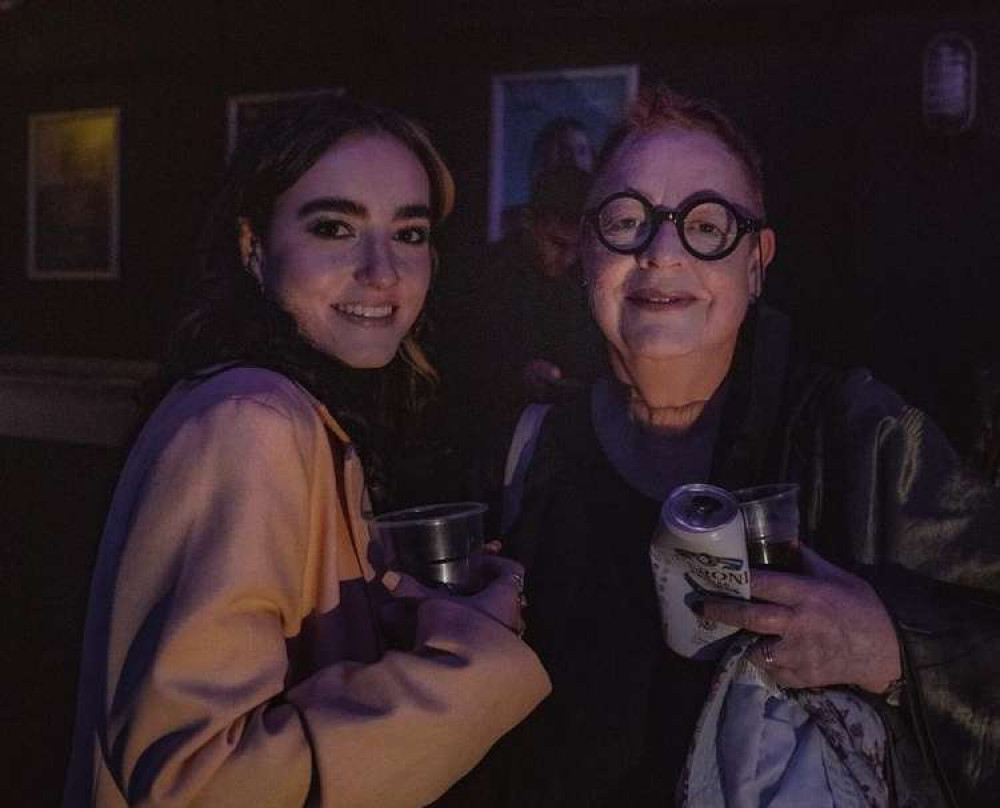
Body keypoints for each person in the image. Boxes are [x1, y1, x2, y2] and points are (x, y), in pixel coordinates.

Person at [466, 86, 1000, 806]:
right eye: (627, 221)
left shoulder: (858, 435)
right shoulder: (530, 452)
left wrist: (892, 647)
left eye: (707, 225)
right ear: (584, 252)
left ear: (756, 262)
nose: (661, 252)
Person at [62, 97, 550, 807]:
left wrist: (404, 620)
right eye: (334, 227)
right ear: (252, 246)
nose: (382, 270)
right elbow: (196, 784)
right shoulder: (252, 420)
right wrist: (472, 658)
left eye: (408, 233)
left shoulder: (301, 408)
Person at [442, 164, 606, 443]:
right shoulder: (480, 276)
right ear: (529, 221)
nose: (569, 258)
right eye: (557, 243)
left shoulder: (587, 284)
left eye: (579, 247)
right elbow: (455, 365)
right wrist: (517, 374)